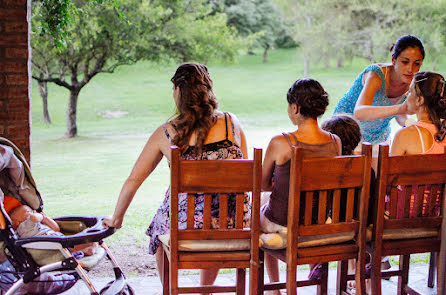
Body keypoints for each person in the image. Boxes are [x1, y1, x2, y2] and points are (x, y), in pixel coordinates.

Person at [102, 62, 248, 292]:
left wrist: (116, 219)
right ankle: (205, 288)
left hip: (187, 227)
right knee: (216, 209)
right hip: (231, 225)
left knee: (159, 227)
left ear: (179, 92)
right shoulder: (232, 123)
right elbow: (243, 176)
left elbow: (134, 180)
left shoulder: (167, 133)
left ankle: (169, 291)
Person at [260, 78, 341, 294]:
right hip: (320, 223)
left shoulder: (281, 142)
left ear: (295, 107)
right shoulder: (335, 142)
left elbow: (261, 183)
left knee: (257, 209)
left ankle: (273, 288)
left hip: (285, 226)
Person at [333, 34, 425, 145]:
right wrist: (401, 108)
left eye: (417, 63)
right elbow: (359, 112)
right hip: (345, 131)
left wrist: (412, 126)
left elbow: (400, 114)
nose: (411, 69)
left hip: (378, 136)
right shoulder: (375, 74)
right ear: (393, 60)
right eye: (405, 62)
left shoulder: (411, 82)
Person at [391, 71, 446, 219]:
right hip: (438, 216)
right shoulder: (443, 132)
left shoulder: (404, 135)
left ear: (420, 100)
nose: (406, 95)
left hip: (404, 216)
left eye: (410, 91)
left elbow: (389, 182)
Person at [9, 204, 98, 256]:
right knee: (73, 244)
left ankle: (87, 247)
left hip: (54, 237)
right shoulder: (23, 227)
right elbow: (34, 217)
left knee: (71, 244)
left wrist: (46, 219)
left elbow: (56, 228)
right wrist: (38, 215)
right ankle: (87, 242)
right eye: (28, 211)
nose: (33, 212)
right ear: (17, 222)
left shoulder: (35, 224)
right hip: (49, 242)